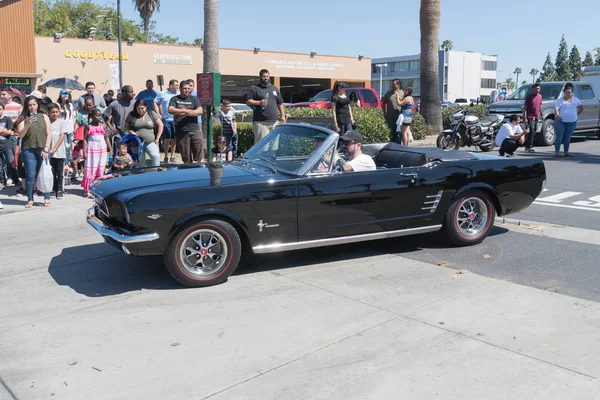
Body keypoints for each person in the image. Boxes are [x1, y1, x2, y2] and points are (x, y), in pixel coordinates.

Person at [15, 96, 52, 208]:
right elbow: (20, 135)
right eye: (30, 105)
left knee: (44, 174)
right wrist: (28, 124)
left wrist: (46, 148)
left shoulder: (44, 116)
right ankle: (30, 198)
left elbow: (48, 134)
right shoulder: (23, 118)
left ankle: (47, 197)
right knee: (30, 175)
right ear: (27, 106)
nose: (32, 107)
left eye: (34, 104)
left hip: (42, 148)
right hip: (28, 149)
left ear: (37, 105)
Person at [245, 69, 285, 144]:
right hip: (261, 122)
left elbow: (280, 103)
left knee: (274, 146)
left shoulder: (274, 88)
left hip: (274, 122)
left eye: (267, 76)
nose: (266, 78)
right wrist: (259, 102)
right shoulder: (255, 89)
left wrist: (282, 115)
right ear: (260, 77)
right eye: (264, 76)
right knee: (262, 146)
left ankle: (272, 156)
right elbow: (248, 101)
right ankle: (260, 156)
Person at [168, 80, 203, 164]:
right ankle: (189, 172)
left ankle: (199, 170)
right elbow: (171, 110)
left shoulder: (194, 99)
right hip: (182, 131)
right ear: (180, 89)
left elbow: (200, 111)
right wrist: (187, 111)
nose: (187, 90)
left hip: (195, 129)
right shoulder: (174, 99)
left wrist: (183, 114)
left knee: (199, 153)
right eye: (184, 88)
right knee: (186, 156)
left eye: (188, 88)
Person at [125, 99, 164, 167]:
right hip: (137, 143)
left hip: (151, 142)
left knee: (155, 157)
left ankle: (155, 173)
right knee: (141, 161)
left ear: (146, 107)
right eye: (138, 109)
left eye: (142, 108)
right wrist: (131, 132)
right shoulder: (132, 115)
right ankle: (142, 175)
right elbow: (127, 128)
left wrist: (157, 138)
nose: (140, 110)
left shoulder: (151, 113)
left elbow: (161, 125)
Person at [82, 109, 111, 197]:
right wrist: (84, 151)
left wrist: (110, 148)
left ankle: (98, 188)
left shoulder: (103, 126)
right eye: (97, 115)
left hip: (102, 149)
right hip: (92, 150)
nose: (99, 117)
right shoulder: (88, 126)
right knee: (91, 168)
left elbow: (106, 138)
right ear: (92, 117)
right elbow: (85, 140)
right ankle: (88, 189)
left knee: (101, 168)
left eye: (100, 115)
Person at [554, 83, 583, 157]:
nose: (567, 94)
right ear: (564, 92)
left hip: (572, 121)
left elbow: (581, 108)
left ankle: (566, 152)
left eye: (569, 92)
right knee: (559, 137)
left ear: (572, 93)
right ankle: (557, 152)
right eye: (566, 92)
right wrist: (558, 115)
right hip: (560, 121)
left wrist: (576, 114)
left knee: (567, 137)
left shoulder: (576, 100)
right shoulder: (560, 100)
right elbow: (556, 109)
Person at [155, 79, 179, 164]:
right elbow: (155, 102)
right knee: (167, 138)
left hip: (176, 119)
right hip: (166, 119)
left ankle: (172, 156)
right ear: (171, 86)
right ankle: (165, 156)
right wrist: (158, 114)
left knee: (174, 138)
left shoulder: (178, 94)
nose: (177, 87)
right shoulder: (162, 93)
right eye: (176, 85)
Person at [47, 103, 68, 199]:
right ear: (49, 113)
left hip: (59, 152)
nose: (54, 114)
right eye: (52, 112)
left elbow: (62, 136)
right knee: (51, 172)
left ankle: (59, 190)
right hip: (49, 153)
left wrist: (55, 148)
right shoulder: (47, 123)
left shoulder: (62, 122)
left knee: (59, 173)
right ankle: (52, 189)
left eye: (56, 112)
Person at [0, 102, 18, 188]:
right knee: (0, 166)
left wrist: (5, 131)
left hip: (7, 145)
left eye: (0, 109)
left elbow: (9, 132)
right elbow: (5, 132)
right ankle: (2, 181)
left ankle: (16, 180)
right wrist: (3, 131)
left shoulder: (7, 119)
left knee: (11, 163)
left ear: (3, 109)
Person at [56, 90, 76, 165]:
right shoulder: (57, 104)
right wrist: (59, 112)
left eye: (67, 94)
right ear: (60, 95)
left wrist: (74, 127)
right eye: (64, 94)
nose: (66, 95)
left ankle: (67, 163)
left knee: (69, 147)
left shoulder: (70, 105)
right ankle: (63, 163)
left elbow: (72, 117)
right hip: (62, 128)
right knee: (63, 146)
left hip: (70, 128)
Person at [382, 79, 403, 144]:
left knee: (398, 134)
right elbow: (383, 103)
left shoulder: (402, 93)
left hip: (399, 117)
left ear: (398, 84)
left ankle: (398, 146)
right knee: (391, 133)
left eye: (394, 85)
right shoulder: (388, 94)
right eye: (392, 85)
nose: (392, 86)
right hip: (390, 117)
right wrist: (384, 113)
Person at [523, 82, 542, 153]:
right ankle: (529, 146)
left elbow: (540, 106)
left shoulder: (540, 96)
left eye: (538, 89)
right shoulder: (529, 97)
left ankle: (528, 146)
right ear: (533, 89)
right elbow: (525, 108)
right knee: (531, 130)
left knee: (534, 131)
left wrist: (541, 114)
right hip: (530, 116)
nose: (537, 90)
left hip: (537, 116)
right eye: (536, 89)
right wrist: (525, 118)